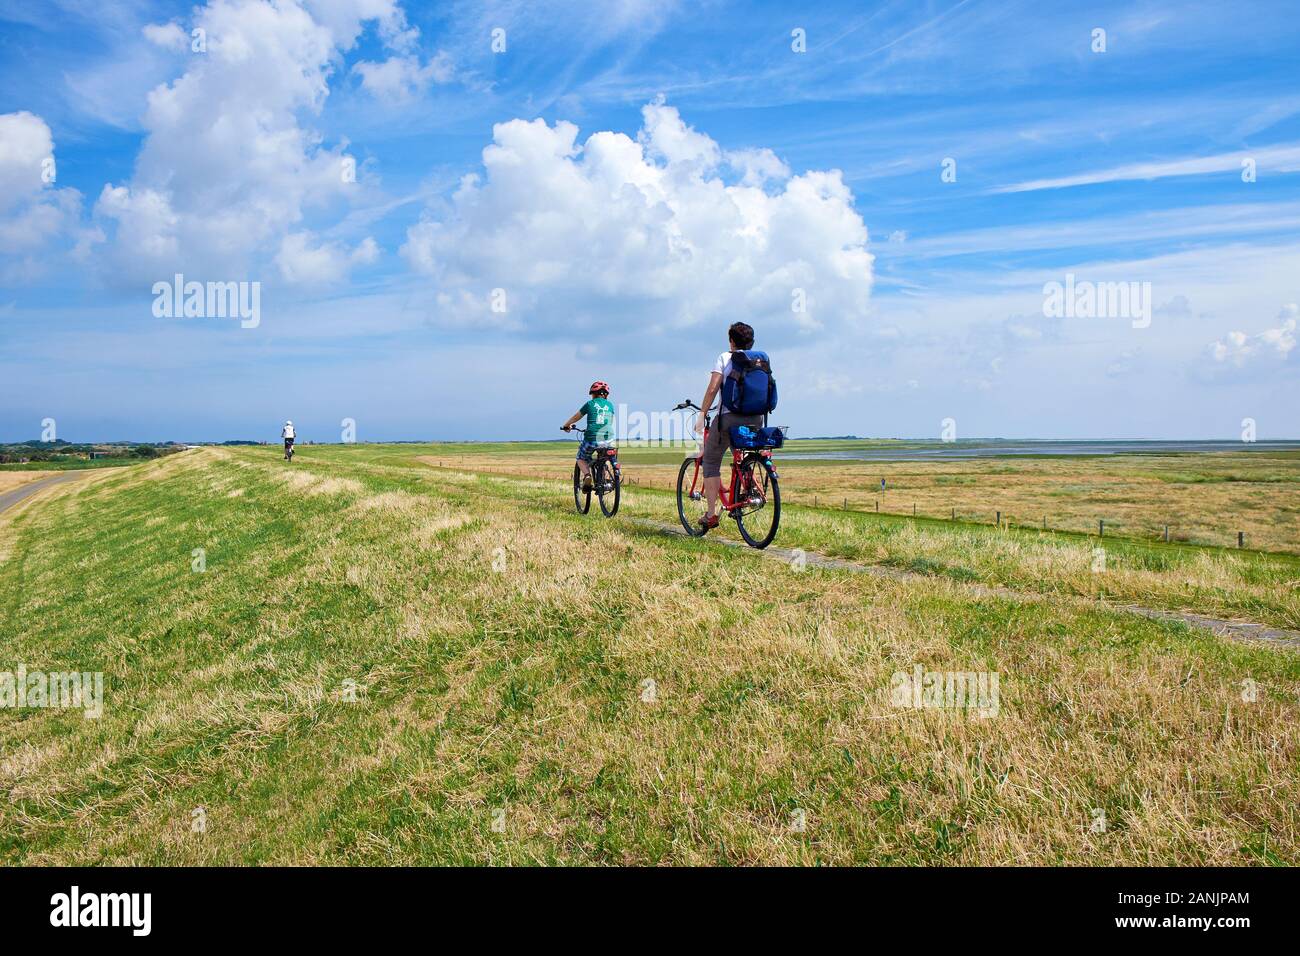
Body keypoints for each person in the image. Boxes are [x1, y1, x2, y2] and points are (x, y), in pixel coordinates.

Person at [694, 322, 766, 532]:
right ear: (752, 341)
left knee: (711, 461)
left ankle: (711, 514)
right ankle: (750, 488)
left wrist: (702, 413)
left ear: (731, 341)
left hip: (729, 418)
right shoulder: (760, 360)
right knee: (741, 455)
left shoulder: (725, 357)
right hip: (756, 419)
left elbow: (712, 389)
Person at [561, 381, 615, 491]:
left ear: (594, 394)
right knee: (604, 458)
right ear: (606, 394)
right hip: (608, 437)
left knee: (581, 457)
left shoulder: (590, 404)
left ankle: (587, 476)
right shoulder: (610, 405)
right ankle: (603, 480)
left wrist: (567, 425)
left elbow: (576, 417)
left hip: (592, 437)